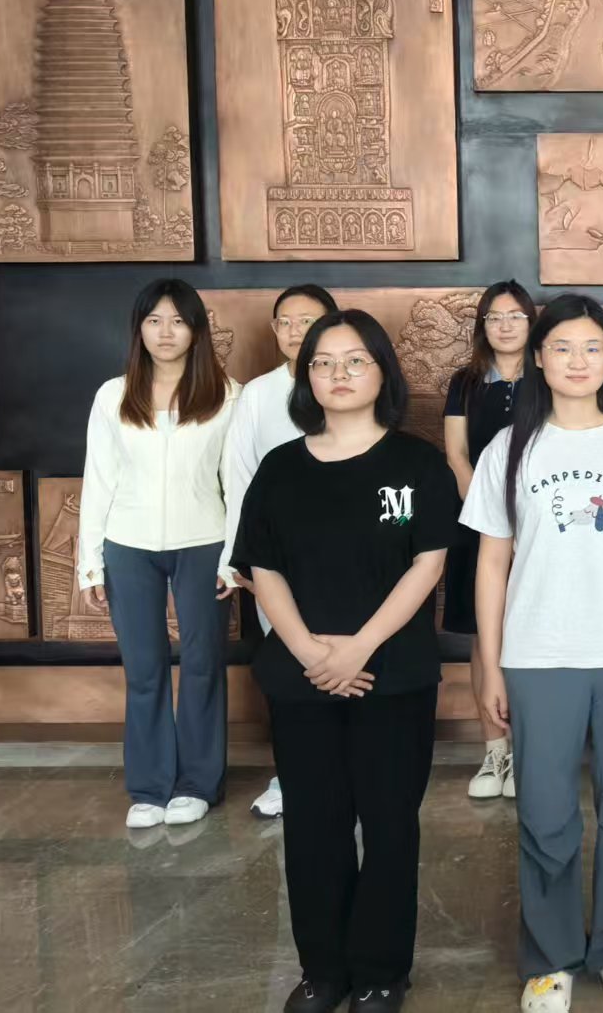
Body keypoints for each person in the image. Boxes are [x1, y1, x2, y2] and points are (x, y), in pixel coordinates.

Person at [465, 295, 603, 1013]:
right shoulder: (510, 448)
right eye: (562, 347)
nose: (578, 361)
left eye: (593, 347)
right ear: (538, 357)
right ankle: (550, 956)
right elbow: (491, 562)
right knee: (545, 808)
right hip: (538, 653)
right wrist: (491, 663)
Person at [233, 310, 455, 1013]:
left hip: (392, 673)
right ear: (307, 378)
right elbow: (262, 567)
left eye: (355, 360)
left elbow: (427, 564)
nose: (339, 373)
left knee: (389, 826)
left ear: (383, 372)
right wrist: (306, 649)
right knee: (314, 826)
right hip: (301, 677)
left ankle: (382, 971)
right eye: (323, 362)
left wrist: (358, 647)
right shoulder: (280, 468)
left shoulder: (417, 463)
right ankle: (322, 971)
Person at [79, 279, 239, 831]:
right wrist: (90, 562)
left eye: (177, 320)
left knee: (201, 665)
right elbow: (98, 479)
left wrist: (232, 557)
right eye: (153, 320)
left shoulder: (227, 395)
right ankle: (149, 788)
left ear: (196, 329)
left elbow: (237, 483)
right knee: (143, 669)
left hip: (204, 543)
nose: (165, 332)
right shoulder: (113, 395)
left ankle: (196, 784)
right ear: (139, 329)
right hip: (128, 545)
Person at [220, 284, 339, 821]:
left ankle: (347, 773)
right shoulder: (258, 394)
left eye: (307, 320)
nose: (295, 331)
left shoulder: (346, 383)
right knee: (292, 661)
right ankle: (292, 775)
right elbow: (239, 477)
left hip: (341, 554)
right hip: (276, 558)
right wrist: (238, 557)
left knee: (344, 657)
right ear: (274, 330)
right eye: (285, 322)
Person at [444, 281, 537, 802]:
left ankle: (528, 752)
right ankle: (494, 751)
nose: (504, 325)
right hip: (477, 525)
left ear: (531, 323)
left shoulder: (546, 376)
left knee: (531, 633)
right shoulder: (466, 382)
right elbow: (456, 455)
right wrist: (491, 517)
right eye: (494, 317)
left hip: (540, 525)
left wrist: (524, 522)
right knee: (486, 636)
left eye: (515, 316)